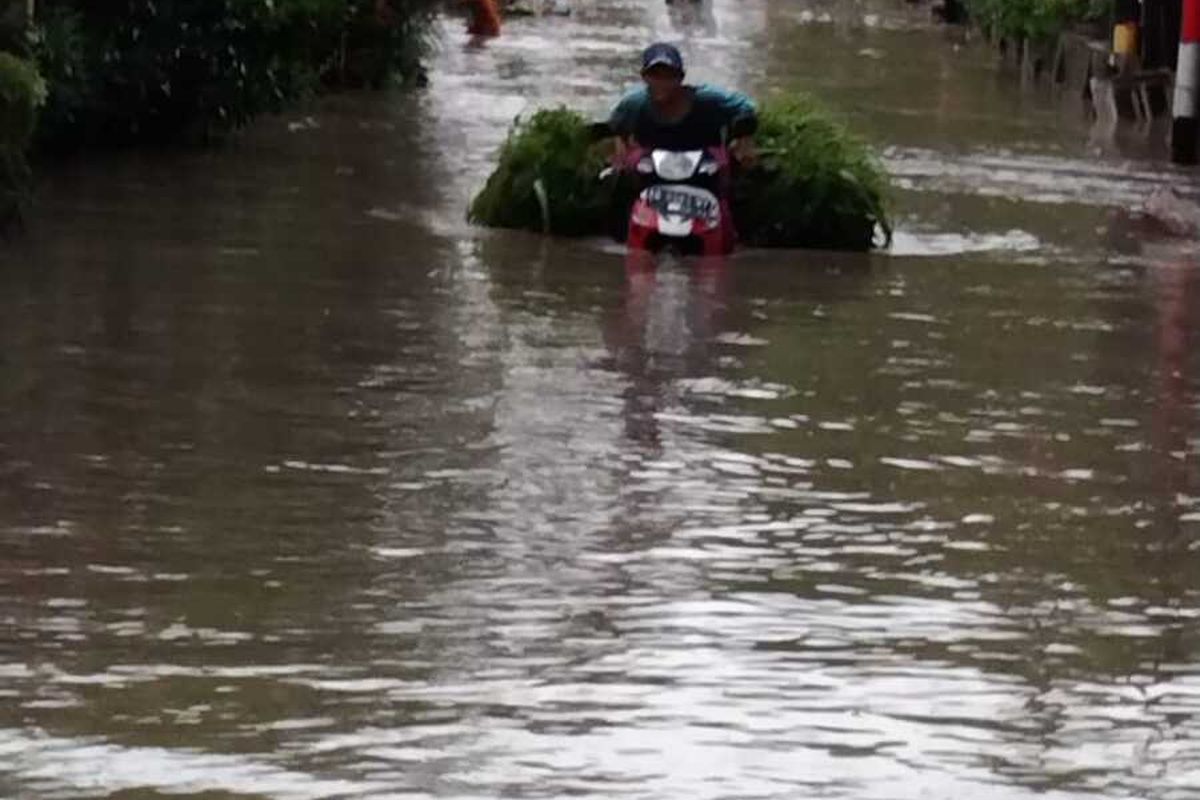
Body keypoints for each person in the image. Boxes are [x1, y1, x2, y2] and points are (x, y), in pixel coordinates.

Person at [607, 43, 757, 158]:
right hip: (652, 174)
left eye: (669, 76)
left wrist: (743, 140)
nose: (662, 83)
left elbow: (745, 107)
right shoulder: (634, 104)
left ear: (681, 77)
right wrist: (620, 148)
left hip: (706, 172)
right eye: (655, 76)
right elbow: (617, 124)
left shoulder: (707, 99)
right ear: (644, 77)